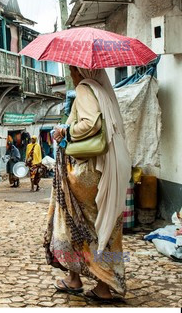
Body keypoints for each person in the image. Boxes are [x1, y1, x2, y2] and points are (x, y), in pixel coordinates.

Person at [47, 66, 131, 300]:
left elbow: (90, 123)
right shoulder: (103, 90)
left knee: (76, 223)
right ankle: (86, 281)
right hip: (103, 167)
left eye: (73, 69)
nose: (71, 74)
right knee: (99, 226)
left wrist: (65, 131)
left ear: (80, 72)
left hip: (87, 170)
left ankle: (89, 283)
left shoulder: (85, 89)